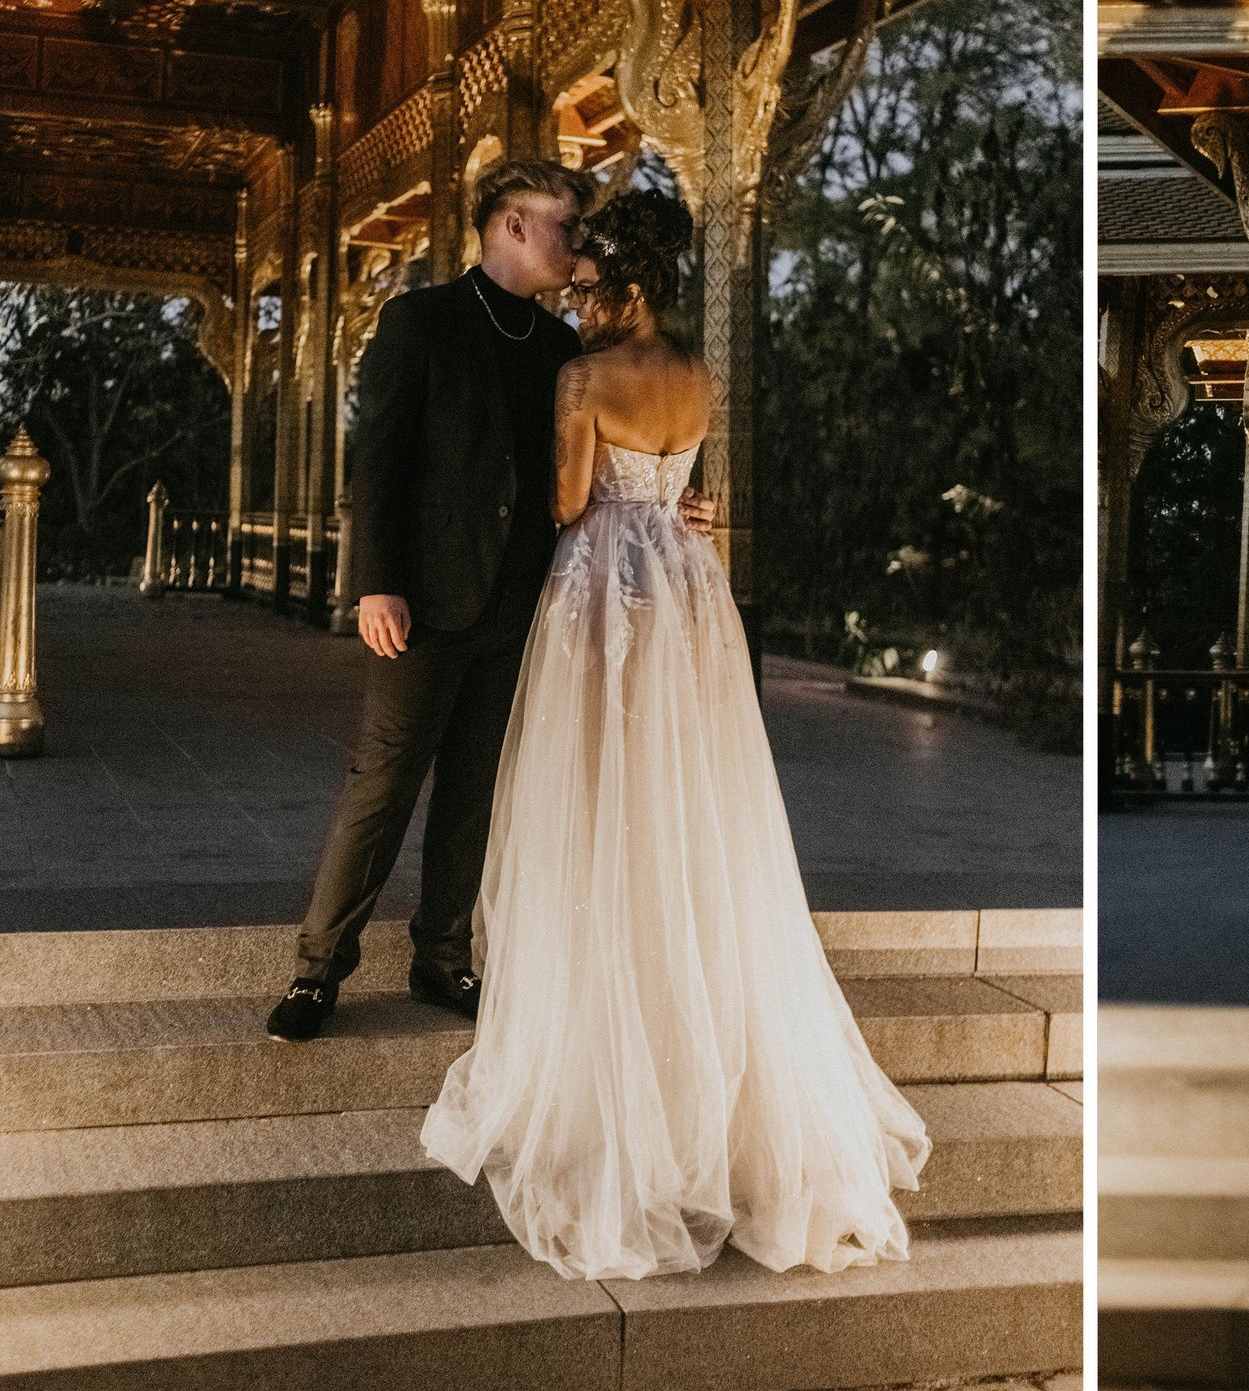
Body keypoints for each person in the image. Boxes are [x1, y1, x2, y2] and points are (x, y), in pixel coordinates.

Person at [419, 187, 929, 1279]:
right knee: (688, 791)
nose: (585, 297)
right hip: (688, 589)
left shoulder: (582, 377)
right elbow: (697, 488)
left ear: (630, 281)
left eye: (596, 282)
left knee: (595, 787)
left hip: (602, 589)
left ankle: (606, 1018)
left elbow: (565, 503)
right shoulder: (698, 375)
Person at [265, 161, 708, 1043]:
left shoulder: (561, 351)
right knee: (383, 781)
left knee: (474, 789)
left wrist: (678, 501)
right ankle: (319, 972)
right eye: (565, 225)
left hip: (526, 604)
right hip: (422, 600)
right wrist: (374, 583)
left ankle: (441, 957)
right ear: (510, 225)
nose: (577, 244)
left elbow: (604, 457)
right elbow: (379, 463)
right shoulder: (420, 320)